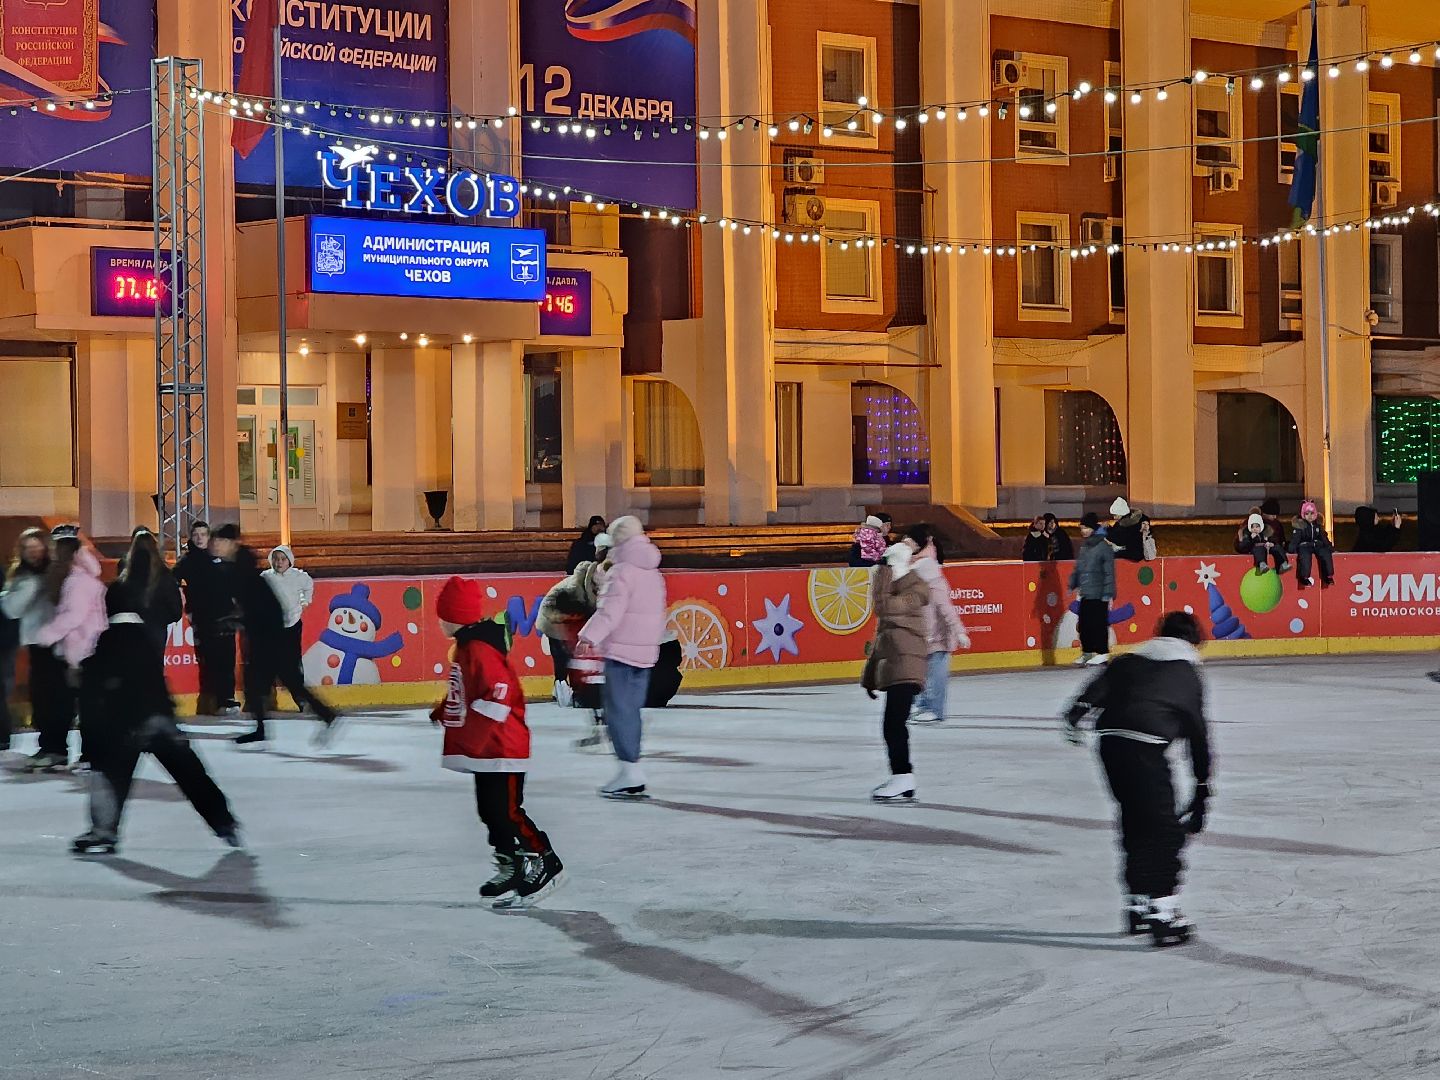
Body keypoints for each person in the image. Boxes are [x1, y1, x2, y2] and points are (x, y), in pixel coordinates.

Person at [1062, 611, 1212, 947]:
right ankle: (1163, 911)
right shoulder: (1186, 671)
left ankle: (1137, 903)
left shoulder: (1128, 660)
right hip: (1145, 748)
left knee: (1135, 820)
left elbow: (1093, 693)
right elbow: (1197, 736)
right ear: (1193, 640)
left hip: (1110, 747)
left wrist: (1075, 715)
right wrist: (1202, 789)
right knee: (1165, 831)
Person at [71, 582, 241, 855]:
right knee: (190, 774)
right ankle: (223, 821)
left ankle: (103, 831)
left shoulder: (109, 639)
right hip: (158, 719)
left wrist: (90, 741)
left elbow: (96, 690)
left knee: (110, 775)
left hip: (124, 726)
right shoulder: (146, 636)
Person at [431, 576, 563, 908]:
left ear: (458, 617)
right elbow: (468, 688)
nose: (440, 622)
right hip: (487, 751)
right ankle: (512, 865)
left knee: (508, 812)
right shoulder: (466, 647)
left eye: (444, 616)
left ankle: (545, 859)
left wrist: (476, 735)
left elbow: (499, 693)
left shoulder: (479, 648)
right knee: (489, 811)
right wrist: (445, 709)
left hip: (503, 747)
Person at [210, 525, 339, 746]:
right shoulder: (238, 566)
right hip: (264, 632)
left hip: (268, 634)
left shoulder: (240, 568)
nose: (215, 546)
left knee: (266, 681)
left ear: (231, 543)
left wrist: (237, 620)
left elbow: (257, 604)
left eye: (219, 541)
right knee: (278, 681)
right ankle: (324, 714)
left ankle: (267, 728)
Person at [579, 515, 666, 800]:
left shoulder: (622, 571)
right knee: (630, 710)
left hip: (621, 652)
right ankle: (631, 768)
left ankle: (630, 771)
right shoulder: (653, 571)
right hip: (645, 652)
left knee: (619, 712)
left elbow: (610, 612)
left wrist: (588, 636)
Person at [30, 526, 107, 770]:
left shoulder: (78, 581)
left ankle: (91, 755)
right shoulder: (78, 577)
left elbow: (73, 616)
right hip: (82, 650)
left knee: (83, 706)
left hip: (83, 651)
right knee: (81, 705)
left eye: (55, 548)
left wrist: (46, 635)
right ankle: (85, 753)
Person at [862, 541, 932, 802]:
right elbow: (883, 639)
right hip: (898, 665)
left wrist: (883, 572)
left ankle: (903, 776)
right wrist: (870, 677)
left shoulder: (915, 592)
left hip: (908, 665)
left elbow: (882, 607)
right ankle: (902, 777)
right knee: (892, 724)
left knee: (894, 724)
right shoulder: (899, 592)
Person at [174, 521, 242, 716]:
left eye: (203, 534)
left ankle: (227, 698)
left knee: (227, 658)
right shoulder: (187, 561)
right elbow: (172, 579)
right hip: (203, 618)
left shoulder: (221, 556)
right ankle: (213, 700)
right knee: (209, 660)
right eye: (196, 534)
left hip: (226, 615)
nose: (199, 538)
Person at [908, 527, 971, 725]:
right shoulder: (916, 573)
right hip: (923, 634)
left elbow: (946, 608)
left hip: (938, 637)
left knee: (936, 676)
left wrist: (959, 632)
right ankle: (923, 705)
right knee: (921, 673)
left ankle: (934, 709)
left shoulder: (932, 578)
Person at [0, 529, 52, 757]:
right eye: (28, 549)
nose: (33, 553)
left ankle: (51, 745)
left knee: (45, 692)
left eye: (36, 548)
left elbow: (12, 608)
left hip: (45, 639)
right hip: (30, 639)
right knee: (37, 691)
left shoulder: (40, 577)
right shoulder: (21, 575)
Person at [537, 557, 606, 706]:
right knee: (563, 656)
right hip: (554, 620)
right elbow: (554, 609)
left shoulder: (591, 586)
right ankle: (561, 687)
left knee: (571, 655)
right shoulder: (574, 589)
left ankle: (565, 688)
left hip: (569, 619)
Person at [116, 528, 184, 654]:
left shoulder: (125, 575)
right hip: (156, 629)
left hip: (129, 629)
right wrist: (161, 620)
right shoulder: (164, 575)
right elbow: (175, 609)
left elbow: (116, 603)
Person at [1068, 513, 1116, 667]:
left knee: (1098, 624)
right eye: (1081, 528)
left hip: (1099, 593)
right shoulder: (1085, 547)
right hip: (1086, 592)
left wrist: (1108, 593)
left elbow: (1109, 572)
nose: (1083, 531)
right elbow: (1079, 567)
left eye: (1086, 528)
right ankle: (1087, 652)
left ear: (1093, 528)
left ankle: (1102, 653)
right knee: (1084, 624)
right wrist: (1073, 582)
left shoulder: (1103, 547)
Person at [1289, 501, 1335, 589]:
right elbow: (1295, 539)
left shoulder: (1318, 526)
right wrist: (1291, 548)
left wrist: (1330, 547)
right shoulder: (1300, 526)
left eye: (1312, 513)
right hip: (1305, 546)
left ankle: (1328, 575)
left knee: (1325, 553)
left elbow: (1324, 538)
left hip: (1317, 545)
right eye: (1307, 514)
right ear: (1303, 515)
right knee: (1305, 557)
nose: (1310, 516)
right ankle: (1304, 577)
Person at [1234, 511, 1290, 575]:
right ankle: (1262, 564)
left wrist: (1271, 543)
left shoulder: (1267, 532)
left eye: (1257, 527)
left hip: (1267, 548)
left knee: (1277, 547)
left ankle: (1283, 563)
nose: (1255, 529)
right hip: (1256, 549)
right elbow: (1243, 546)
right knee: (1259, 548)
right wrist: (1251, 539)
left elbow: (1274, 539)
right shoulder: (1247, 534)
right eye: (1252, 527)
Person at [1107, 498, 1152, 562]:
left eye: (1115, 515)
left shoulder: (1126, 523)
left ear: (1121, 513)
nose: (1114, 517)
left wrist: (1106, 532)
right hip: (1137, 551)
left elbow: (1119, 540)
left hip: (1135, 553)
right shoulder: (1127, 521)